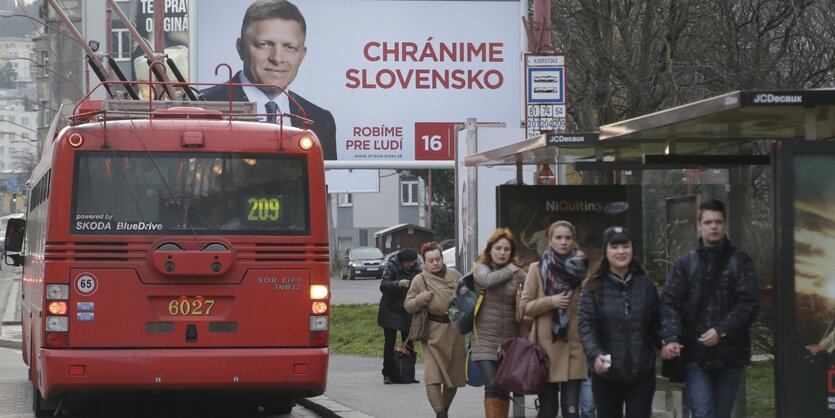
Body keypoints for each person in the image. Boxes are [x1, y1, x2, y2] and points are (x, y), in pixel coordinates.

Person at [660, 199, 759, 418]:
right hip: (696, 354)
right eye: (708, 222)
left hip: (731, 354)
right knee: (703, 413)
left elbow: (749, 304)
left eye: (718, 222)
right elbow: (670, 303)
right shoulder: (686, 264)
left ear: (725, 224)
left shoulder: (740, 262)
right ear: (699, 224)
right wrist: (672, 337)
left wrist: (721, 330)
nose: (713, 227)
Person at [201, 0, 337, 160]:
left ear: (302, 55)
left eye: (289, 47)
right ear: (241, 48)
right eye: (264, 44)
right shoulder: (200, 107)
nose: (277, 58)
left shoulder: (320, 120)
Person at [579, 226, 660, 418]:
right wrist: (595, 354)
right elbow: (587, 326)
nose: (621, 252)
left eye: (626, 246)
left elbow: (656, 323)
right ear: (606, 252)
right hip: (606, 373)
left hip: (641, 372)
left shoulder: (646, 285)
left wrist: (667, 341)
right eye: (615, 247)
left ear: (633, 249)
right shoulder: (593, 286)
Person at [521, 221, 589, 418]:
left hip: (574, 346)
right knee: (548, 410)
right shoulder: (536, 268)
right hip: (545, 351)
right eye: (558, 237)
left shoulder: (581, 267)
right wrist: (551, 301)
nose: (563, 242)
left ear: (574, 240)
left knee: (571, 409)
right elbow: (525, 306)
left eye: (568, 238)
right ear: (550, 240)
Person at [404, 242, 465, 418]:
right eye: (430, 261)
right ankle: (441, 414)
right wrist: (421, 299)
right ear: (424, 263)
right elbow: (408, 305)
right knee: (433, 377)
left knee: (453, 380)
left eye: (438, 259)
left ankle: (443, 411)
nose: (435, 263)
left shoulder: (455, 275)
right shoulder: (419, 280)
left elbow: (468, 296)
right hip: (432, 333)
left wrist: (460, 298)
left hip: (454, 332)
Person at [471, 228, 527, 418]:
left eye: (507, 249)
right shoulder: (481, 267)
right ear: (490, 249)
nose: (502, 253)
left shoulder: (516, 272)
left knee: (504, 386)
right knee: (493, 384)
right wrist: (509, 271)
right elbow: (487, 281)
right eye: (498, 248)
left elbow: (532, 288)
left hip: (509, 340)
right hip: (483, 339)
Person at [377, 248, 421, 384]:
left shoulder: (418, 268)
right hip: (390, 310)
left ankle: (407, 373)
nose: (410, 265)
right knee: (389, 343)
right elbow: (383, 286)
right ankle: (388, 373)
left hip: (408, 309)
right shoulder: (392, 266)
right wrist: (398, 283)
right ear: (401, 261)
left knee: (408, 342)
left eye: (412, 262)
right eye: (407, 263)